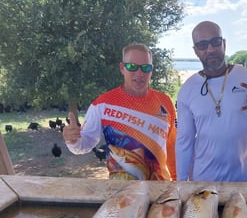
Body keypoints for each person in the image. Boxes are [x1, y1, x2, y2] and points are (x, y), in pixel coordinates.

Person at [175, 21, 247, 182]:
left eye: (215, 42)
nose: (210, 49)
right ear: (195, 51)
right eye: (202, 45)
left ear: (224, 43)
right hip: (205, 183)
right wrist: (181, 182)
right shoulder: (188, 89)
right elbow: (184, 141)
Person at [63, 43, 176, 181]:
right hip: (121, 191)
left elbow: (172, 148)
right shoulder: (102, 104)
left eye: (146, 68)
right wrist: (73, 140)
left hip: (160, 190)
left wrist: (178, 182)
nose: (140, 73)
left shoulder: (165, 102)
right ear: (122, 68)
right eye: (132, 67)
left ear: (151, 71)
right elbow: (84, 144)